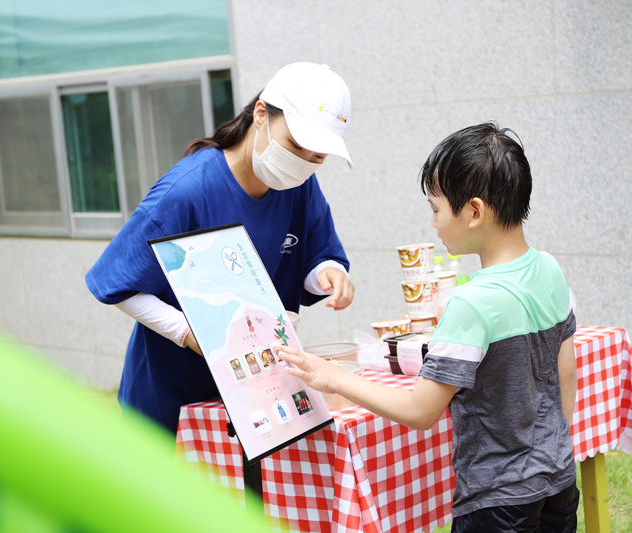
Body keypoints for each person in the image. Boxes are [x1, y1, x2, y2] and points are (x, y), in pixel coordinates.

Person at [278, 123, 579, 533]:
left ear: (474, 212)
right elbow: (566, 375)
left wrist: (331, 377)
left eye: (436, 209)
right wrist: (549, 452)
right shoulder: (549, 269)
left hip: (498, 502)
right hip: (559, 481)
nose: (433, 222)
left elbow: (420, 411)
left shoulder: (471, 303)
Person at [86, 62, 356, 434]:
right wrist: (190, 333)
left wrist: (328, 274)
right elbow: (119, 284)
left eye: (318, 158)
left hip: (258, 395)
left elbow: (317, 257)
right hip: (173, 398)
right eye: (295, 146)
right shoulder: (187, 191)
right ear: (260, 114)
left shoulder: (300, 184)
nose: (302, 164)